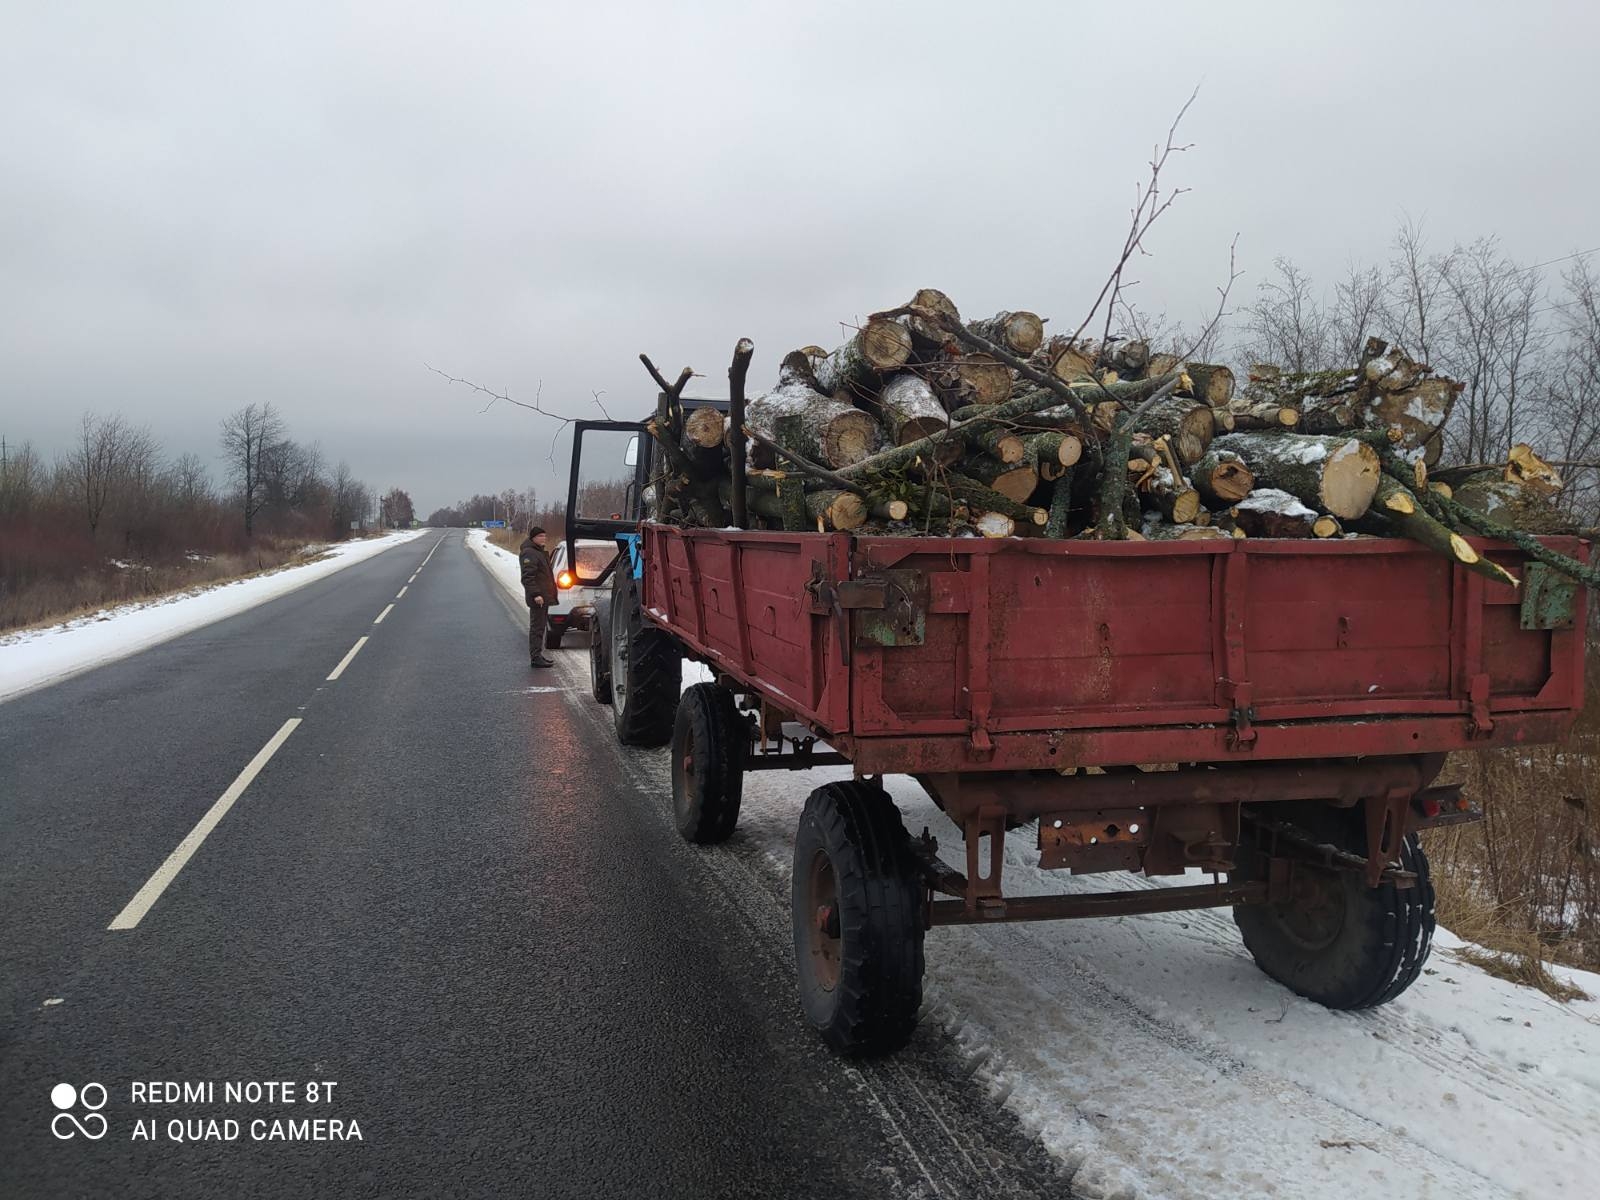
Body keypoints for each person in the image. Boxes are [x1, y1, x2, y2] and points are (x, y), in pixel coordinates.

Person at [519, 526, 558, 668]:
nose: (544, 538)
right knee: (536, 628)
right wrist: (536, 594)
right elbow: (527, 577)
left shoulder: (538, 552)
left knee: (541, 627)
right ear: (533, 538)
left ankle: (538, 655)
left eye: (544, 536)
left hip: (543, 597)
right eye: (541, 536)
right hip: (538, 598)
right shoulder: (529, 553)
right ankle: (535, 657)